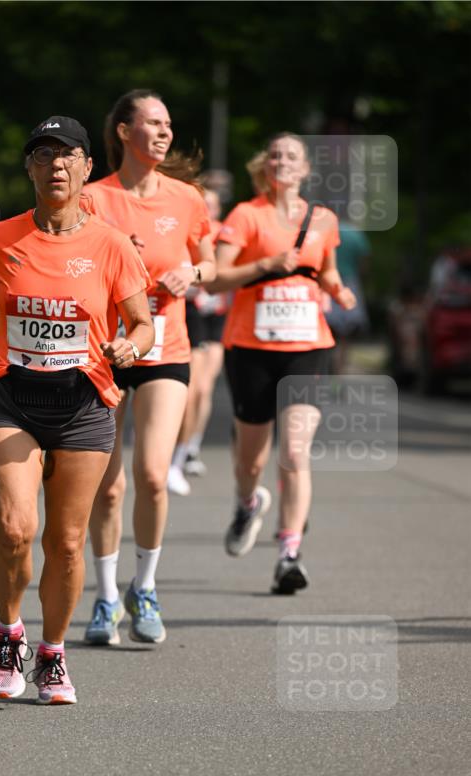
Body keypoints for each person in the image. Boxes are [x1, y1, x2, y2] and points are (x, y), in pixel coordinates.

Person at [0, 115, 153, 703]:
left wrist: (131, 345)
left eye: (67, 155)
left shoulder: (111, 245)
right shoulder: (0, 239)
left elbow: (144, 325)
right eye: (43, 156)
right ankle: (9, 631)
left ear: (87, 167)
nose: (56, 166)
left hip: (84, 405)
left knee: (67, 544)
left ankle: (52, 655)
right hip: (12, 398)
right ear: (30, 168)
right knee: (15, 529)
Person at [83, 89, 216, 645]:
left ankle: (146, 587)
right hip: (106, 353)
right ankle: (108, 596)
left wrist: (196, 275)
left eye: (168, 124)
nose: (164, 133)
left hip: (166, 348)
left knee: (153, 476)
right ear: (122, 131)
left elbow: (210, 258)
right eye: (152, 123)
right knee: (107, 488)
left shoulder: (186, 198)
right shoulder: (93, 198)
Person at [211, 132, 356, 594]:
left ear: (306, 169)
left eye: (291, 155)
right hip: (250, 349)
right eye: (274, 154)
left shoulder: (324, 220)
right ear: (265, 166)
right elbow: (216, 279)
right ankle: (247, 502)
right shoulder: (245, 215)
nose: (282, 161)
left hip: (308, 346)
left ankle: (289, 553)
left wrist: (338, 289)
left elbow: (325, 268)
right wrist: (265, 265)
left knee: (294, 451)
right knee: (250, 460)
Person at [167, 184, 231, 494]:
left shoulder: (226, 232)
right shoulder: (180, 227)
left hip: (217, 314)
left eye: (212, 204)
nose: (207, 209)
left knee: (205, 389)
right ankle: (175, 453)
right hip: (191, 309)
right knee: (192, 389)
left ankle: (190, 446)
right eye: (202, 203)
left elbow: (230, 270)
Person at [324, 221, 371, 375]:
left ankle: (326, 365)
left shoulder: (326, 232)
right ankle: (339, 369)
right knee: (346, 334)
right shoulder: (356, 235)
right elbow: (364, 262)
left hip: (327, 283)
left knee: (327, 329)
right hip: (350, 283)